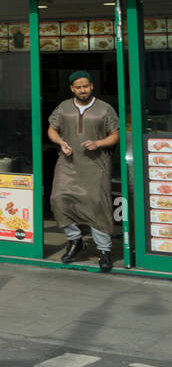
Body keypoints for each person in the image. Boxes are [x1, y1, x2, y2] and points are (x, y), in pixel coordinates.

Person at [47, 71, 120, 272]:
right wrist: (60, 142)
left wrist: (98, 143)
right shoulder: (63, 107)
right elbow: (52, 129)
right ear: (72, 89)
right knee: (58, 199)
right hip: (68, 163)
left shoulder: (104, 109)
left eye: (85, 86)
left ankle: (104, 251)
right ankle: (75, 240)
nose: (82, 90)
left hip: (96, 165)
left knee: (96, 205)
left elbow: (115, 135)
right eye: (78, 87)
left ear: (92, 86)